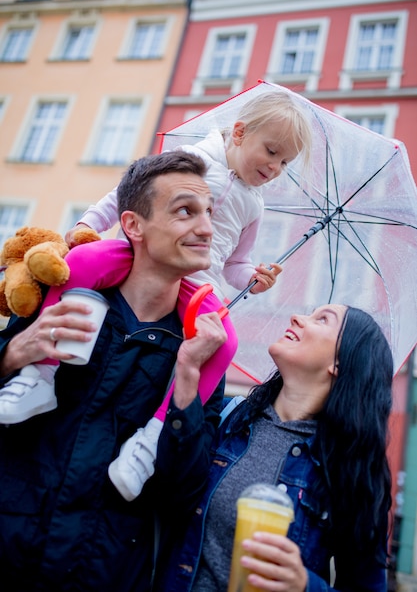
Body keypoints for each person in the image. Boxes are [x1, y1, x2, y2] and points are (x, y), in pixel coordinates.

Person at [0, 90, 311, 497]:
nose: (275, 167)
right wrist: (84, 225)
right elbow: (123, 198)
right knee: (83, 262)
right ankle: (41, 374)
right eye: (271, 152)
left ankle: (154, 434)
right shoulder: (195, 161)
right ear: (238, 132)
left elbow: (235, 264)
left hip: (200, 283)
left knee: (225, 343)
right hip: (138, 256)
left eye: (285, 162)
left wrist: (253, 277)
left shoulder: (255, 204)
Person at [0, 151, 234, 592]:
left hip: (103, 573)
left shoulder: (203, 351)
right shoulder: (59, 297)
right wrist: (15, 352)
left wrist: (185, 379)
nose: (206, 228)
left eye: (209, 213)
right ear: (133, 225)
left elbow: (184, 493)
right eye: (186, 211)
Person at [161, 304, 394, 592]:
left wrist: (305, 586)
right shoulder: (227, 419)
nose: (297, 317)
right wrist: (188, 375)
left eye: (322, 320)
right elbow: (166, 490)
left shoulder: (352, 472)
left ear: (340, 363)